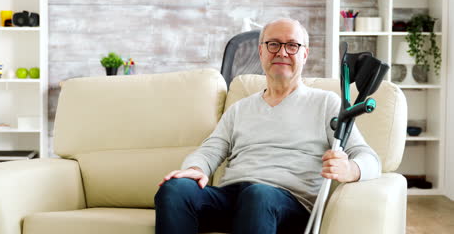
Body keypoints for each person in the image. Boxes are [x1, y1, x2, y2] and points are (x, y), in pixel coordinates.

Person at [154, 18, 381, 234]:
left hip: (288, 204)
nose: (282, 52)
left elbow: (369, 158)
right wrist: (195, 170)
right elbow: (210, 149)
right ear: (261, 51)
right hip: (233, 197)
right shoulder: (240, 108)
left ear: (305, 54)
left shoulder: (326, 103)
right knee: (175, 188)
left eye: (292, 45)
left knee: (258, 194)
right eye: (273, 44)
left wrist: (351, 169)